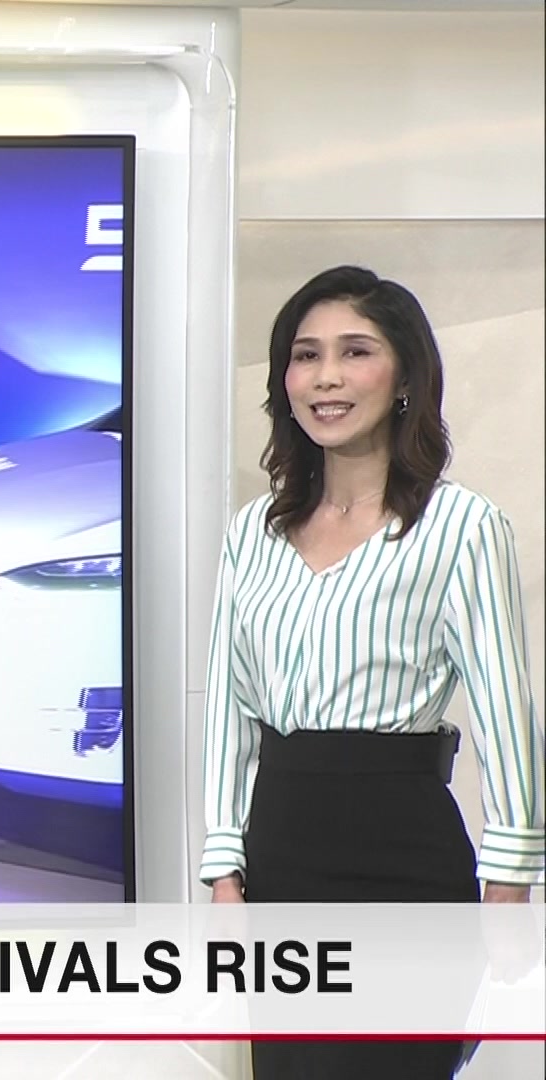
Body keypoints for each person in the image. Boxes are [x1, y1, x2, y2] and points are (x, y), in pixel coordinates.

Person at [197, 265, 543, 1078]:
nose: (327, 376)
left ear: (404, 376)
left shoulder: (462, 528)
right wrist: (223, 868)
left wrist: (509, 881)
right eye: (306, 355)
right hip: (279, 854)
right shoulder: (253, 533)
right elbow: (229, 708)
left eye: (355, 352)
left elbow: (506, 714)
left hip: (404, 858)